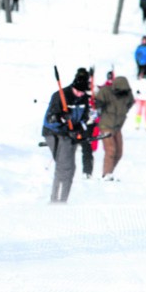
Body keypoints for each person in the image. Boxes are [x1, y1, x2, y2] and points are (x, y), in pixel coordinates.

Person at [42, 68, 90, 203]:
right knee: (64, 166)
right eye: (78, 91)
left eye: (82, 92)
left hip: (70, 135)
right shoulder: (60, 96)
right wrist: (62, 118)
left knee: (70, 168)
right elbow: (49, 120)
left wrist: (78, 128)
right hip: (54, 133)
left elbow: (85, 118)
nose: (80, 94)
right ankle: (55, 200)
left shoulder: (84, 98)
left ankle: (63, 199)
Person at [95, 75, 134, 181]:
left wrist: (123, 112)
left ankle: (109, 172)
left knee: (119, 152)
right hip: (106, 125)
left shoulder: (127, 95)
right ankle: (106, 173)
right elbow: (97, 102)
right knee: (110, 149)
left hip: (117, 127)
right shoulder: (106, 92)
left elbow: (131, 102)